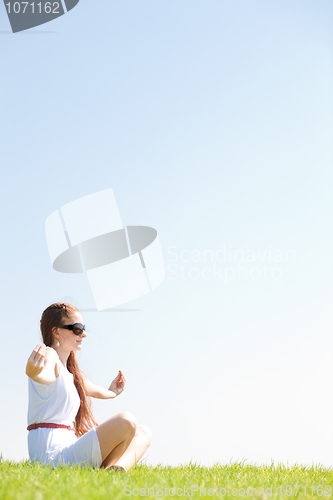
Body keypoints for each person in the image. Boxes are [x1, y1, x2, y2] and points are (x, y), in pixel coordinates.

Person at [25, 302, 152, 471]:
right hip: (52, 456)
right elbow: (44, 375)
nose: (83, 334)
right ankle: (106, 471)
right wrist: (34, 373)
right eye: (77, 328)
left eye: (83, 328)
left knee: (143, 432)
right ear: (56, 332)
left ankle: (116, 471)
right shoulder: (50, 356)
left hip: (68, 447)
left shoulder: (69, 374)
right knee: (126, 420)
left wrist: (113, 392)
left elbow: (96, 391)